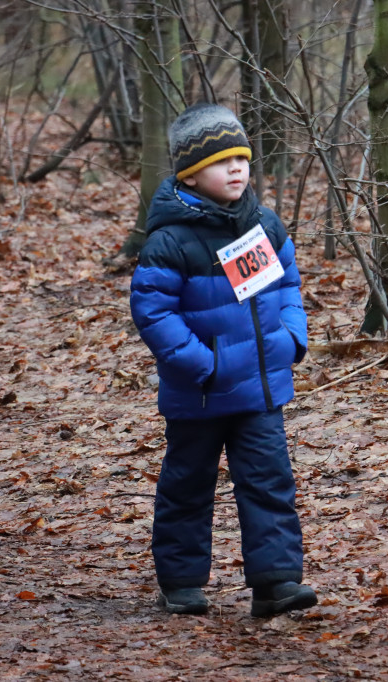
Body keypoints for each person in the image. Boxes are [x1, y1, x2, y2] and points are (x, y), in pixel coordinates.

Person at [130, 103, 316, 617]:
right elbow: (152, 311)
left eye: (242, 159)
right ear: (191, 174)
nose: (236, 169)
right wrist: (203, 364)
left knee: (269, 481)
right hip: (201, 392)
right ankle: (182, 582)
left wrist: (292, 338)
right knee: (188, 486)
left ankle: (276, 582)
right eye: (221, 162)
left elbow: (290, 287)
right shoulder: (171, 240)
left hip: (260, 389)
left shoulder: (263, 225)